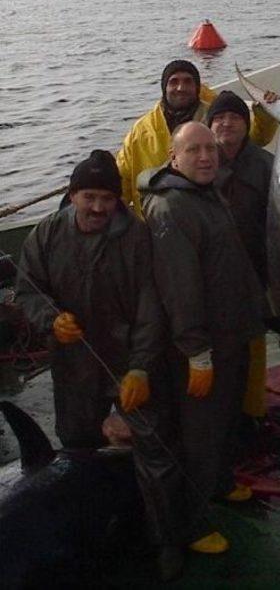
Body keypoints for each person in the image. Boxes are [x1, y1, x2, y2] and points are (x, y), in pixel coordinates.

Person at [14, 150, 186, 581]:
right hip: (74, 366)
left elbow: (153, 309)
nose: (97, 207)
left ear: (118, 200)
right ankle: (85, 532)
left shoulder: (138, 238)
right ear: (72, 196)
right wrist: (50, 319)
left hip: (130, 361)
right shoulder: (46, 235)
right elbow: (27, 292)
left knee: (155, 451)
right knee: (75, 448)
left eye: (106, 199)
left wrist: (142, 368)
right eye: (88, 196)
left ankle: (167, 540)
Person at [138, 121, 266, 555]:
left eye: (211, 148)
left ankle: (222, 482)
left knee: (228, 419)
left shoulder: (207, 193)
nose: (207, 156)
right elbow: (179, 288)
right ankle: (190, 525)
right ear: (173, 158)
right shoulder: (171, 208)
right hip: (202, 347)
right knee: (200, 435)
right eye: (194, 150)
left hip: (232, 335)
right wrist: (197, 353)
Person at [117, 59, 278, 217]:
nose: (181, 88)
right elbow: (122, 177)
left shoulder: (215, 118)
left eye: (188, 81)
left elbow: (255, 138)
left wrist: (266, 113)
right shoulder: (140, 129)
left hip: (202, 213)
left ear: (197, 87)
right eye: (174, 82)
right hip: (153, 216)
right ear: (164, 88)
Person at [207, 90, 274, 421]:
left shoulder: (266, 164)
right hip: (213, 274)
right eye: (219, 118)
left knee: (254, 344)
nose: (226, 124)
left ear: (248, 126)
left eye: (234, 117)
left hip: (256, 270)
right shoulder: (200, 163)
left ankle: (252, 414)